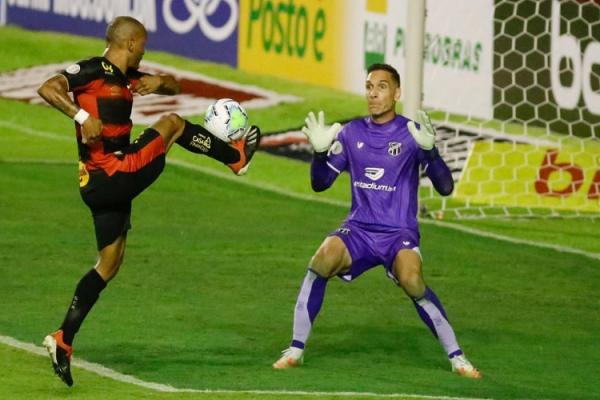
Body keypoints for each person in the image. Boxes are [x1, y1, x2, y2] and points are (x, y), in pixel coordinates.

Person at [37, 16, 260, 387]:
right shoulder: (93, 69)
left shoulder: (127, 78)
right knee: (171, 124)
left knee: (108, 264)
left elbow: (173, 86)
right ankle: (235, 158)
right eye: (143, 45)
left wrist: (160, 82)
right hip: (111, 174)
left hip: (101, 182)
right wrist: (80, 114)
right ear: (130, 43)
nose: (145, 51)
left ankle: (63, 339)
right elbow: (48, 87)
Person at [272, 63, 481, 379]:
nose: (373, 93)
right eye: (369, 86)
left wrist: (431, 152)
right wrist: (318, 153)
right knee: (322, 259)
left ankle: (457, 357)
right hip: (359, 230)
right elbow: (321, 183)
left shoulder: (412, 134)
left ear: (397, 93)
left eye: (381, 86)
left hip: (399, 233)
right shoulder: (353, 132)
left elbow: (446, 187)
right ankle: (296, 349)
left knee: (412, 281)